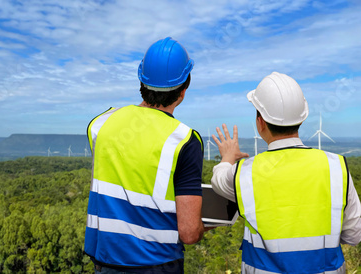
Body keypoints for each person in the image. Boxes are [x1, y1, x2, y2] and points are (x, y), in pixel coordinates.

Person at [211, 72, 361, 273]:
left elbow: (218, 181)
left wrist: (227, 158)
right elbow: (354, 235)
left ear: (260, 122)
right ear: (302, 118)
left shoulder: (244, 172)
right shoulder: (337, 166)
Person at [84, 37, 206, 273]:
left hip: (105, 262)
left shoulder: (100, 124)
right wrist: (204, 226)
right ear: (184, 88)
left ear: (141, 79)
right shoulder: (185, 141)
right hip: (157, 265)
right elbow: (189, 233)